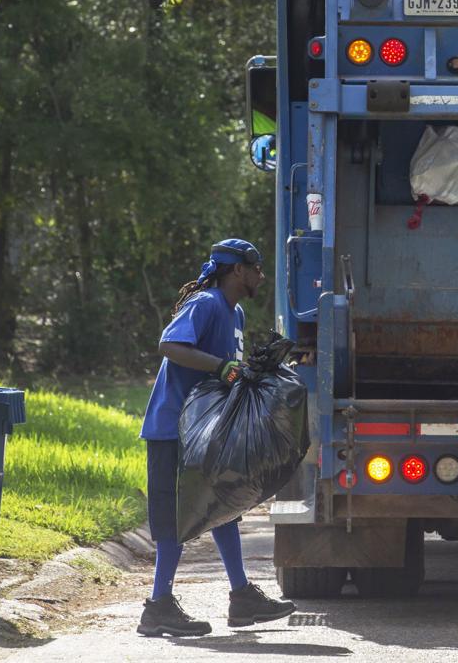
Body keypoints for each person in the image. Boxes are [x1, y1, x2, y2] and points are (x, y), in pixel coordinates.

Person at [137, 238, 296, 638]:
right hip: (173, 429)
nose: (261, 274)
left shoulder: (235, 313)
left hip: (205, 430)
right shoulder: (206, 303)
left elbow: (227, 370)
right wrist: (222, 367)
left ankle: (242, 597)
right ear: (237, 270)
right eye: (256, 266)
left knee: (222, 504)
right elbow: (169, 345)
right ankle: (157, 607)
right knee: (176, 515)